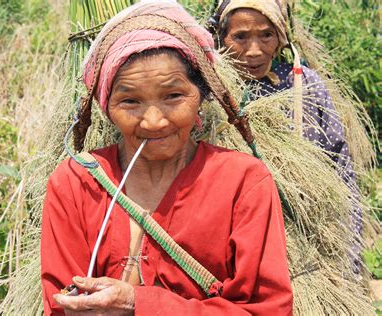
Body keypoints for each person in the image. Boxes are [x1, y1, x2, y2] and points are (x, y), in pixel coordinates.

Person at [40, 1, 293, 315]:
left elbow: (267, 310)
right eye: (130, 100)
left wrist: (138, 304)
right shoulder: (76, 183)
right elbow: (60, 304)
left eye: (173, 96)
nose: (154, 121)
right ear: (107, 107)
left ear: (201, 95)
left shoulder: (244, 182)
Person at [212, 0, 362, 251]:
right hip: (232, 237)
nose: (254, 51)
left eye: (266, 35)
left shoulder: (303, 85)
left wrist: (349, 248)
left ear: (281, 37)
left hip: (306, 240)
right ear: (221, 38)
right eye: (240, 37)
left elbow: (340, 166)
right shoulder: (210, 91)